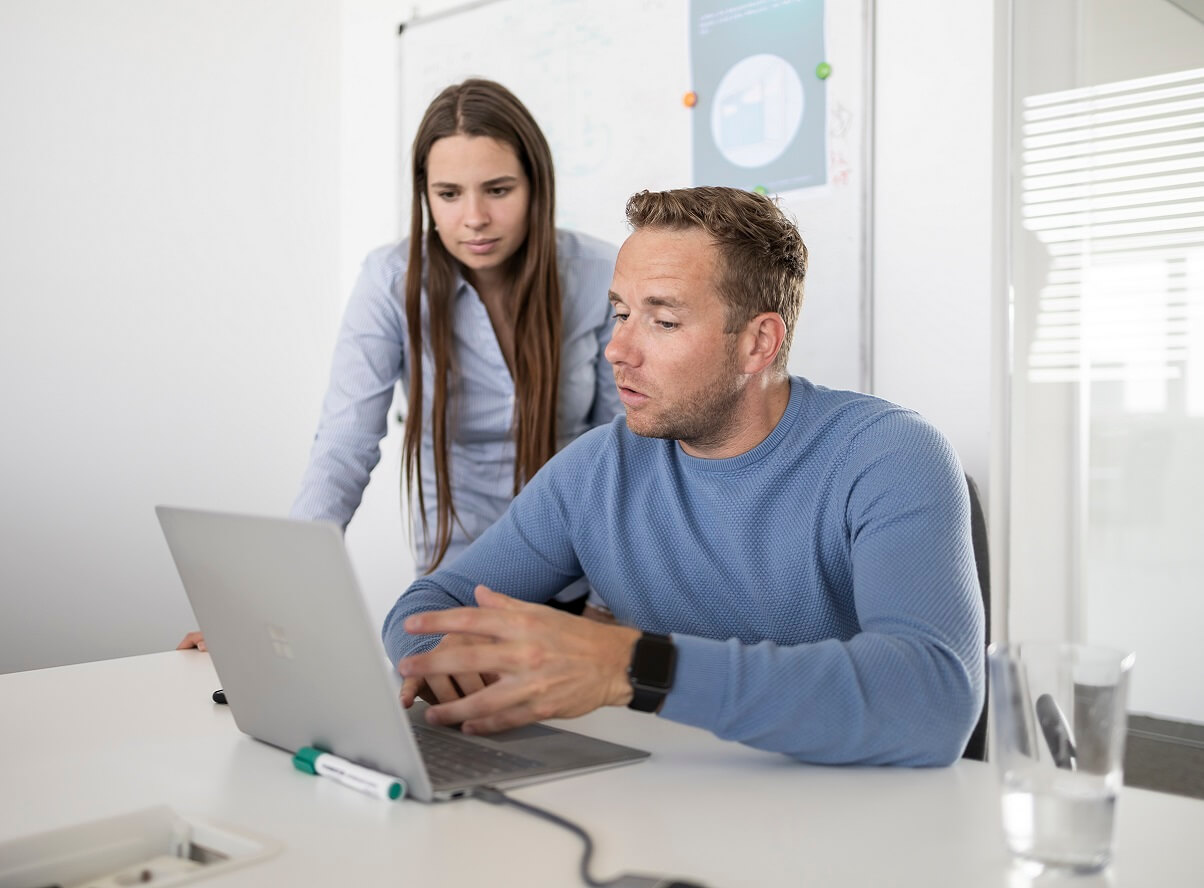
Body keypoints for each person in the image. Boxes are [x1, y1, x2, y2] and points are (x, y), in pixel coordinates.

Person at [382, 186, 985, 767]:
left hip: (858, 828)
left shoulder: (889, 455)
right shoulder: (595, 471)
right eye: (619, 313)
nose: (617, 349)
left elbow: (932, 701)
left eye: (662, 322)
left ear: (758, 343)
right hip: (677, 804)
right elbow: (429, 605)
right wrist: (441, 657)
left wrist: (634, 665)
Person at [178, 79, 620, 652]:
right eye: (449, 194)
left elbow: (627, 451)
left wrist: (606, 606)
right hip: (459, 584)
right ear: (425, 196)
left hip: (584, 579)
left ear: (537, 186)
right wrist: (272, 604)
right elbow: (344, 443)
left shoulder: (599, 273)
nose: (475, 217)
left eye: (499, 189)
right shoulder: (391, 281)